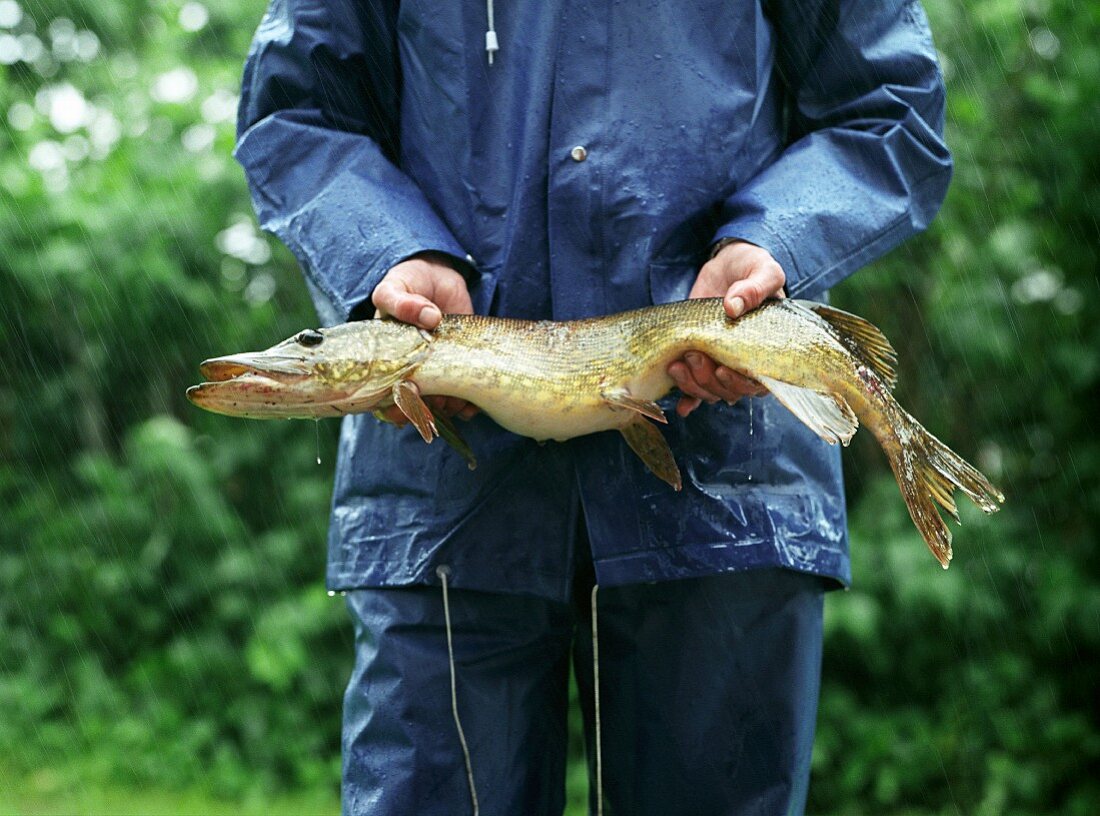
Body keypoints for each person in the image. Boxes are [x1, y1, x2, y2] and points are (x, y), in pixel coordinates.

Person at [235, 1, 950, 813]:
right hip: (445, 509)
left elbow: (887, 105)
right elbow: (297, 114)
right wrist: (390, 250)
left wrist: (774, 240)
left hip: (725, 479)